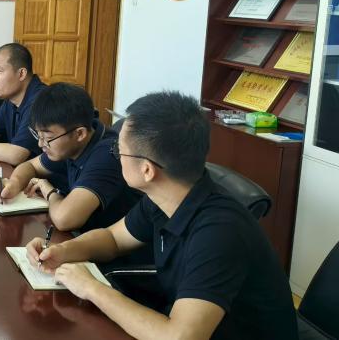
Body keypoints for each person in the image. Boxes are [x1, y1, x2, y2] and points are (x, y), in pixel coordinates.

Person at [24, 92, 298, 340]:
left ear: (147, 170)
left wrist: (92, 288)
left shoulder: (220, 232)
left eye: (118, 150)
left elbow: (179, 337)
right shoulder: (166, 196)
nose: (116, 157)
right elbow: (113, 239)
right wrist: (63, 251)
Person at [0, 83, 140, 232]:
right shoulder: (71, 140)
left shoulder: (107, 155)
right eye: (38, 135)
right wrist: (14, 184)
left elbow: (65, 219)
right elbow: (30, 166)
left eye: (47, 138)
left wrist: (50, 192)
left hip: (111, 243)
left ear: (79, 134)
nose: (40, 144)